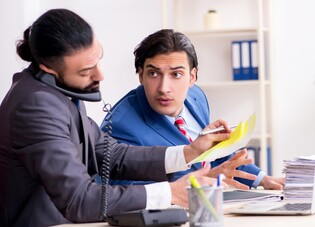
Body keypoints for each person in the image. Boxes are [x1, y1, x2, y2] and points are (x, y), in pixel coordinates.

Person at [0, 9, 242, 227]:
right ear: (49, 69)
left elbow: (111, 154)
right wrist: (170, 193)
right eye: (86, 71)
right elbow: (80, 199)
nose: (100, 75)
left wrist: (188, 152)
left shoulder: (60, 91)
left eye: (98, 61)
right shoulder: (35, 105)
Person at [100, 29, 285, 190]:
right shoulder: (120, 125)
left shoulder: (196, 97)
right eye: (153, 73)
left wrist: (263, 179)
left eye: (176, 74)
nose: (164, 88)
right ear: (141, 75)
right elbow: (125, 190)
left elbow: (214, 154)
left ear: (192, 77)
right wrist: (203, 180)